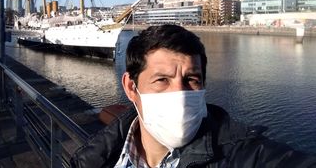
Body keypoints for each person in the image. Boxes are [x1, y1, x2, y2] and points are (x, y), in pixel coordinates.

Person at [71, 24, 316, 168]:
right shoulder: (98, 156)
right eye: (162, 80)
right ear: (131, 88)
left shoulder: (242, 154)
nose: (179, 93)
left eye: (191, 80)